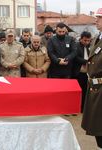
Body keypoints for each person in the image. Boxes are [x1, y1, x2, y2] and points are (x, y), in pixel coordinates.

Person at [82, 8, 102, 150]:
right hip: (94, 88)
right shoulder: (97, 38)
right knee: (97, 129)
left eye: (100, 18)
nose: (96, 20)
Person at [72, 31, 92, 112]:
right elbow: (76, 57)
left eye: (88, 40)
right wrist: (86, 62)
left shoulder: (90, 47)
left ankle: (83, 108)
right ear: (81, 39)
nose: (86, 42)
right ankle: (76, 107)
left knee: (85, 91)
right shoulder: (76, 46)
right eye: (85, 40)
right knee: (77, 92)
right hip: (78, 73)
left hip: (87, 73)